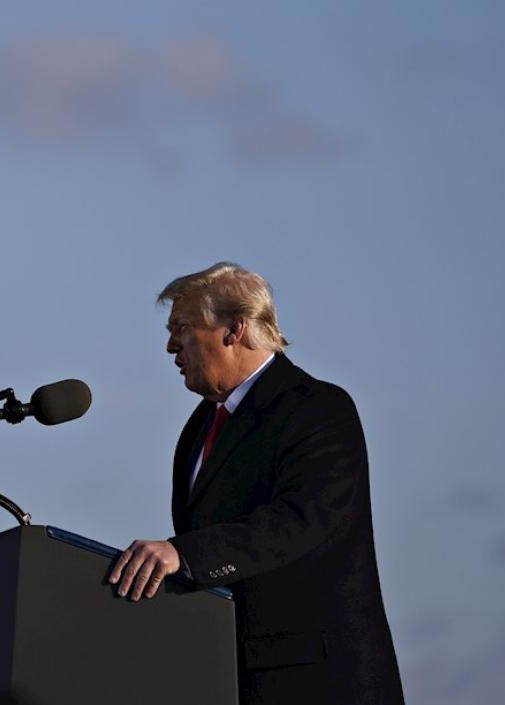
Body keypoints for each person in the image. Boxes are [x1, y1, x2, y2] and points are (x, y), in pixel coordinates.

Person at [108, 262, 405, 705]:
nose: (171, 345)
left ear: (234, 330)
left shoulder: (318, 408)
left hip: (319, 682)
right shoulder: (199, 428)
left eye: (183, 328)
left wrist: (184, 555)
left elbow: (300, 520)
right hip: (230, 679)